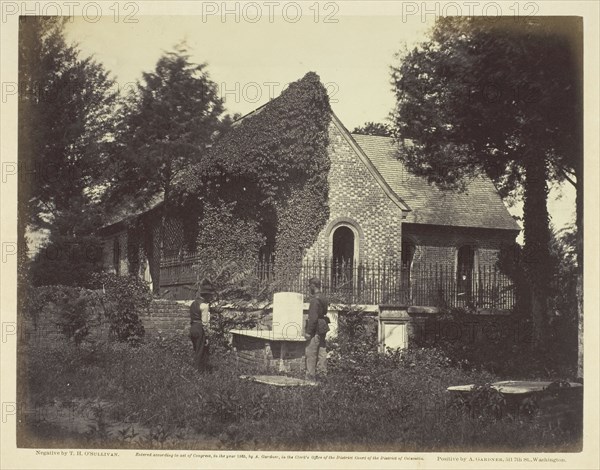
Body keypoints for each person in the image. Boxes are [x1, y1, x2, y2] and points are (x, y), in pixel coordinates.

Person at [304, 277, 330, 381]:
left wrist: (309, 332)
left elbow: (313, 318)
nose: (309, 288)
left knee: (311, 352)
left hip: (316, 328)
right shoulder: (323, 297)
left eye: (310, 286)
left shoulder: (315, 299)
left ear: (313, 286)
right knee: (322, 351)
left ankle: (310, 377)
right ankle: (323, 375)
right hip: (323, 326)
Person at [189, 279, 214, 372]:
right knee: (200, 352)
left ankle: (199, 369)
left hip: (192, 327)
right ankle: (197, 372)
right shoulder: (204, 305)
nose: (211, 297)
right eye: (210, 295)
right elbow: (205, 323)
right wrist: (207, 336)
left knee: (196, 350)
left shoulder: (193, 303)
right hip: (200, 329)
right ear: (206, 295)